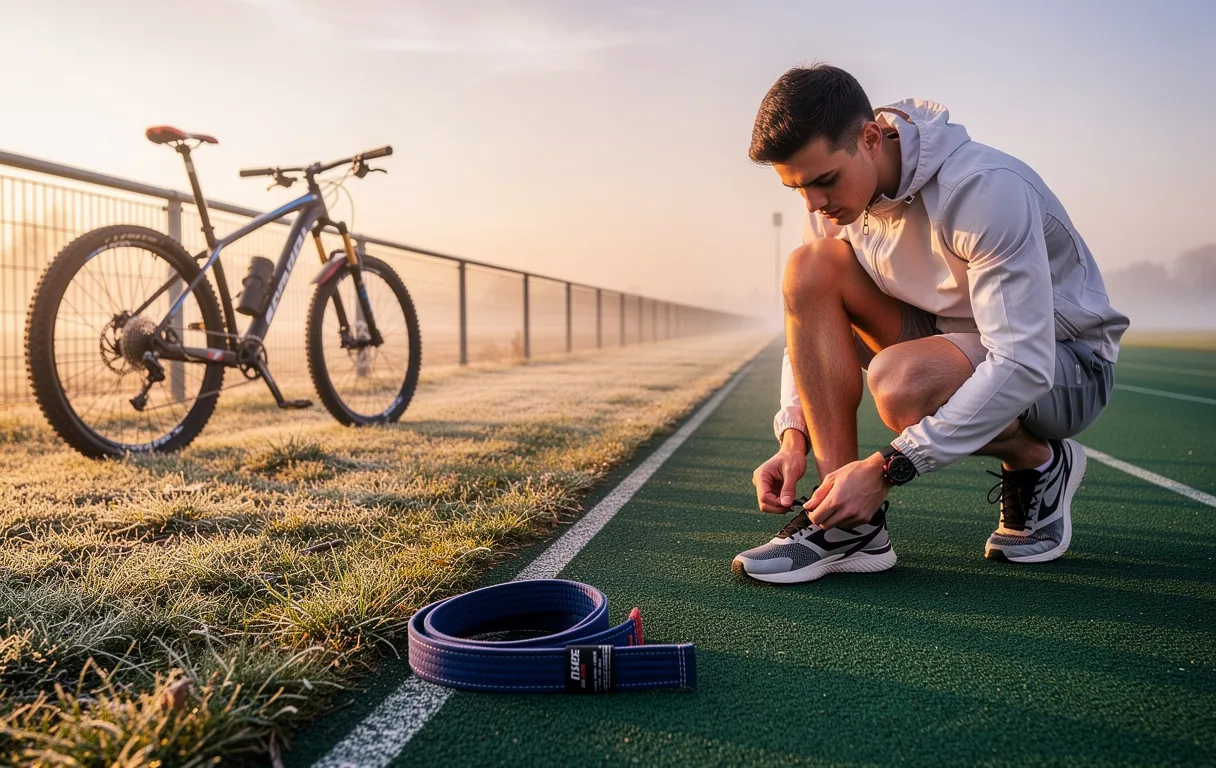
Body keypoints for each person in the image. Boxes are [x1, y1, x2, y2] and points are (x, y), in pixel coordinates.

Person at [733, 63, 1129, 584]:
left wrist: (888, 468)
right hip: (950, 339)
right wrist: (793, 436)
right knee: (809, 269)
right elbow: (811, 325)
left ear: (871, 137)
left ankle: (1038, 460)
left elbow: (1023, 361)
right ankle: (846, 524)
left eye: (824, 181)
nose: (815, 204)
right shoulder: (831, 205)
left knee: (901, 385)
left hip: (1063, 364)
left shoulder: (984, 189)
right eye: (797, 189)